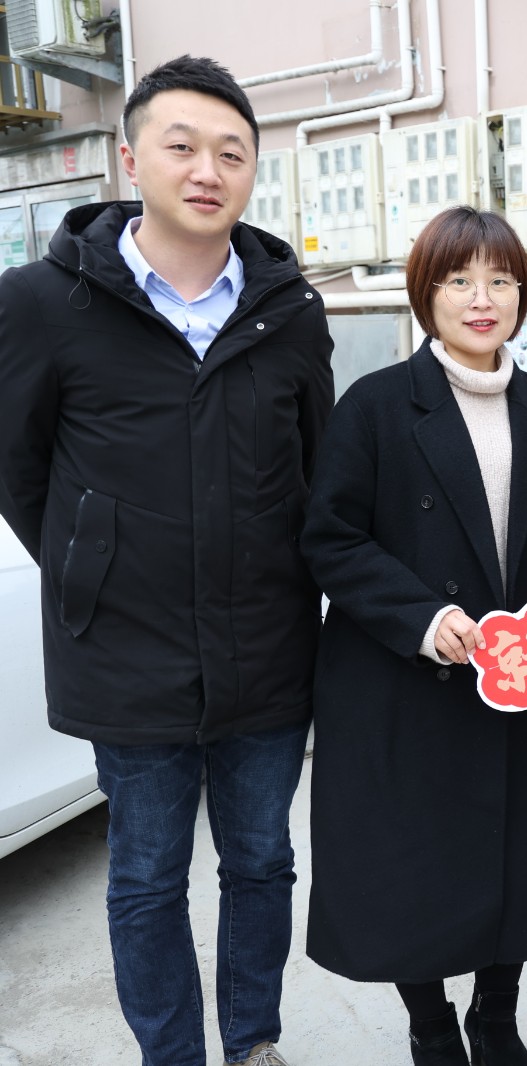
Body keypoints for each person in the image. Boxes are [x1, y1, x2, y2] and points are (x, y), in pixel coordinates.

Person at [0, 56, 333, 1066]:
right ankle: (172, 1055)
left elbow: (315, 469)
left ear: (252, 172)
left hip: (266, 645)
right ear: (130, 158)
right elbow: (19, 469)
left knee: (262, 860)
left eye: (232, 153)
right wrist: (89, 562)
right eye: (181, 146)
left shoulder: (289, 311)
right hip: (124, 652)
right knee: (146, 874)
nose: (206, 170)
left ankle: (253, 1041)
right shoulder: (42, 301)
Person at [298, 206, 527, 1066]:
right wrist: (422, 617)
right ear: (426, 294)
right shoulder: (375, 406)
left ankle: (495, 1020)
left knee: (518, 856)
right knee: (416, 864)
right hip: (407, 682)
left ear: (521, 295)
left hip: (525, 684)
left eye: (501, 280)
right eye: (460, 280)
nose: (483, 299)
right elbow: (330, 539)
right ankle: (431, 1024)